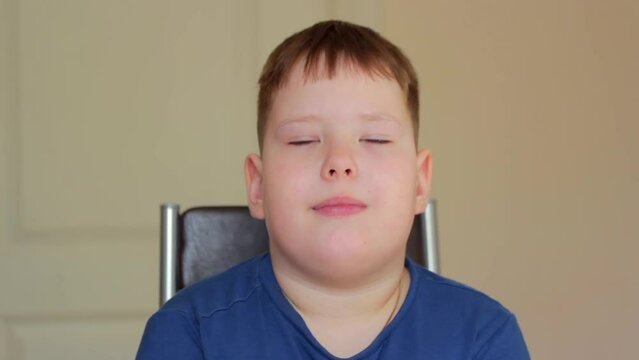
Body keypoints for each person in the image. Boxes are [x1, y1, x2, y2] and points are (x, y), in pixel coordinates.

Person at [137, 20, 530, 359]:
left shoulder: (484, 337)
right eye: (303, 140)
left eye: (375, 139)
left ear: (420, 181)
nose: (340, 162)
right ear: (258, 186)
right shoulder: (188, 335)